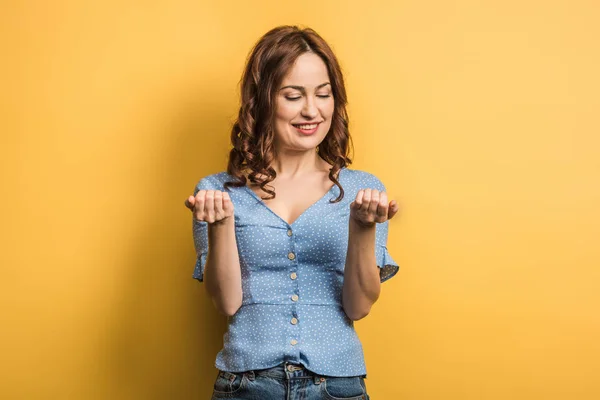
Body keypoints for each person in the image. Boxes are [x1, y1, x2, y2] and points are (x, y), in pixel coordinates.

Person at [184, 25, 401, 400]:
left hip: (336, 385)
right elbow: (227, 302)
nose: (311, 110)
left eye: (323, 94)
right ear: (264, 100)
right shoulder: (218, 191)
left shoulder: (362, 189)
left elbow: (359, 306)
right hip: (246, 385)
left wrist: (362, 227)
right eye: (293, 95)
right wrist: (221, 225)